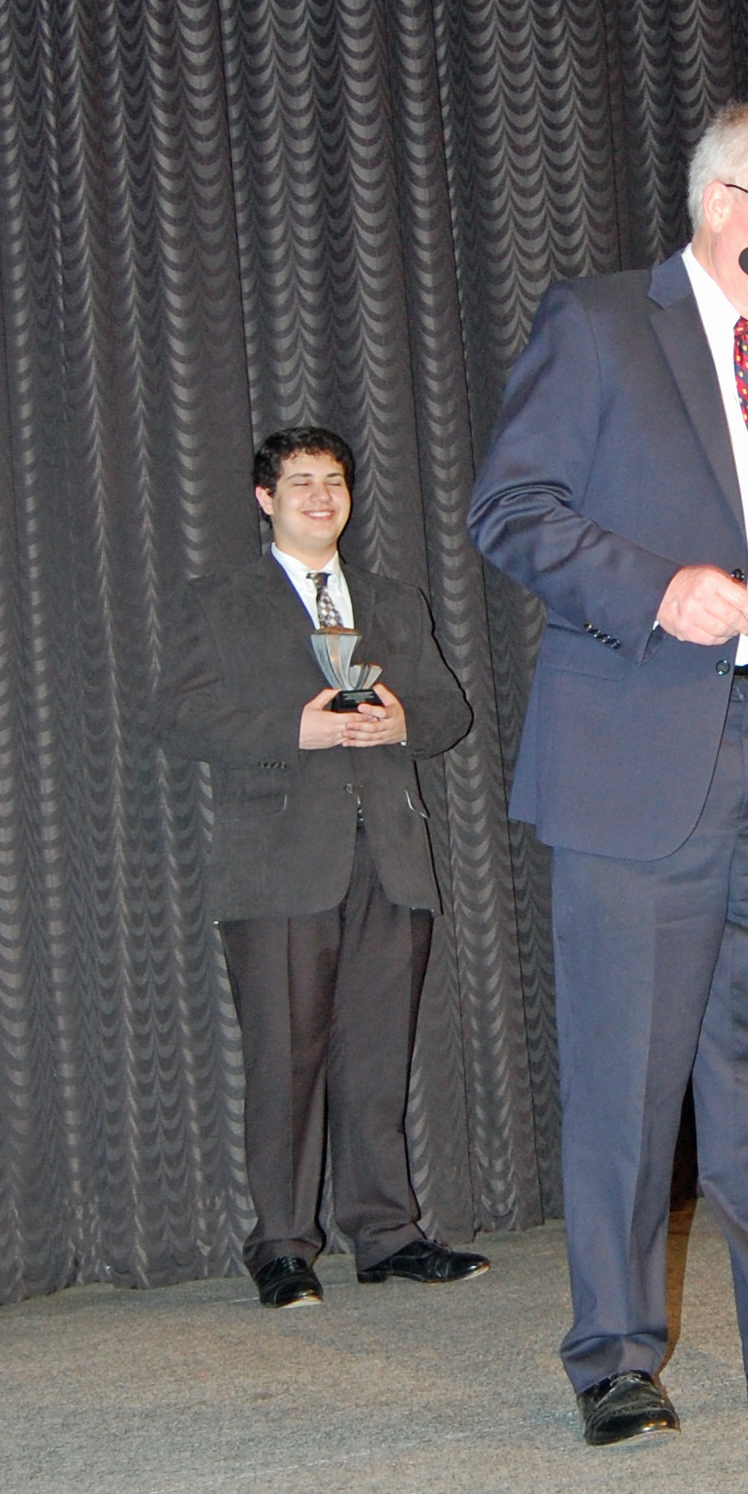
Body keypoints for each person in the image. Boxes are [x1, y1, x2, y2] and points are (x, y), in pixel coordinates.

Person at [468, 102, 748, 1444]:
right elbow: (513, 508)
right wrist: (656, 588)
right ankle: (612, 1354)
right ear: (725, 204)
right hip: (643, 747)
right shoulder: (604, 324)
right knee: (627, 1073)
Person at [162, 427, 487, 1308]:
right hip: (278, 862)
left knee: (378, 1057)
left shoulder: (392, 599)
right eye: (300, 480)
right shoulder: (216, 602)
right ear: (264, 498)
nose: (320, 495)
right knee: (285, 1061)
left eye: (333, 480)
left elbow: (449, 710)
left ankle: (387, 1234)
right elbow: (179, 718)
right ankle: (281, 1245)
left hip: (391, 856)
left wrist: (403, 722)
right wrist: (293, 730)